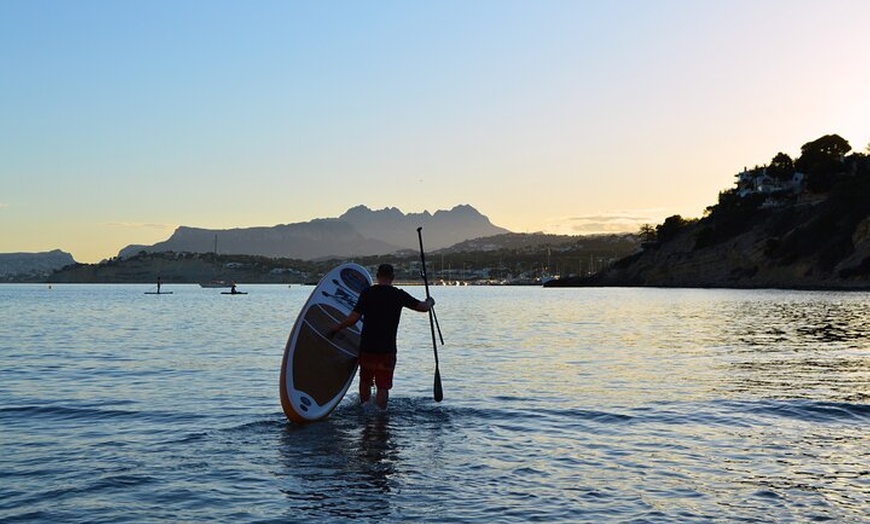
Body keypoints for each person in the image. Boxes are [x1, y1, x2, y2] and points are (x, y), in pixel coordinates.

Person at [328, 263, 434, 410]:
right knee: (383, 386)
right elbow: (423, 307)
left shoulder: (367, 293)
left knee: (365, 381)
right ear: (392, 277)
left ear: (377, 276)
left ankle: (364, 409)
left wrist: (336, 328)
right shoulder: (398, 294)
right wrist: (430, 302)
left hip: (367, 347)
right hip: (387, 349)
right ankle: (381, 415)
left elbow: (353, 319)